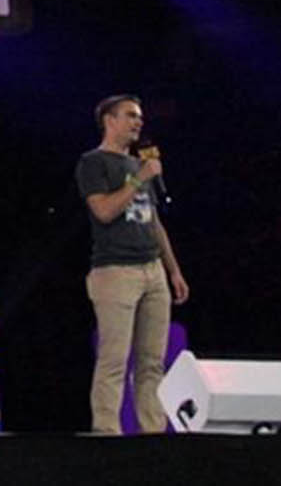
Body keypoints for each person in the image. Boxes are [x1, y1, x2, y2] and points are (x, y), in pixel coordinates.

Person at [76, 94, 190, 434]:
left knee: (152, 362)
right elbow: (104, 211)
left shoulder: (139, 165)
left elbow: (152, 222)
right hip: (115, 271)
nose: (138, 122)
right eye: (130, 115)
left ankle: (153, 433)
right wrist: (139, 179)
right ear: (110, 120)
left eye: (140, 116)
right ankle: (107, 433)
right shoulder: (94, 162)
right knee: (114, 360)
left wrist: (173, 269)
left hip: (151, 269)